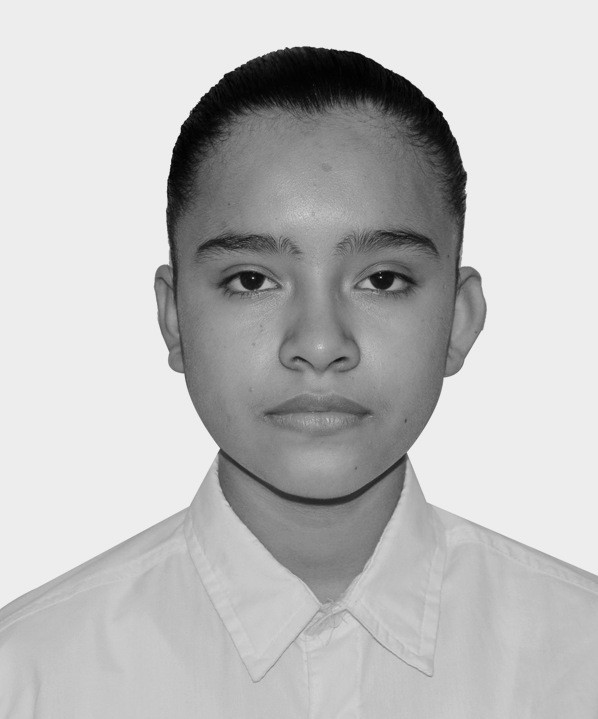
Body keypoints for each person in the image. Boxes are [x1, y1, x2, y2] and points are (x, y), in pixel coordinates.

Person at [1, 46, 596, 718]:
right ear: (174, 318)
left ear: (458, 319)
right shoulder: (28, 679)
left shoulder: (581, 661)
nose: (318, 344)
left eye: (382, 279)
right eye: (251, 279)